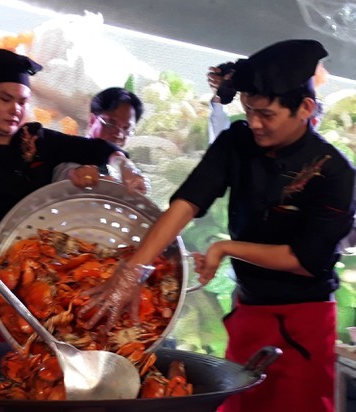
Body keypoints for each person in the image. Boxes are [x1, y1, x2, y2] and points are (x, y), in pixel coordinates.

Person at [79, 39, 355, 412]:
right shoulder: (237, 141)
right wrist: (134, 268)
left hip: (305, 318)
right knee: (238, 402)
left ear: (305, 108)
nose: (254, 123)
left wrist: (226, 247)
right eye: (249, 110)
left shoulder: (335, 172)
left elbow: (304, 259)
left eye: (267, 115)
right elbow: (187, 202)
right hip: (249, 311)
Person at [0, 47, 147, 343]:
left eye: (22, 101)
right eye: (5, 99)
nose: (15, 110)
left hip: (46, 288)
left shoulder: (39, 140)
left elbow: (97, 149)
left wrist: (125, 166)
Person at [52, 87, 149, 191]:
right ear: (93, 120)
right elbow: (66, 178)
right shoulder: (67, 152)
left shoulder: (128, 175)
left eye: (126, 128)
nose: (119, 134)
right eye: (111, 123)